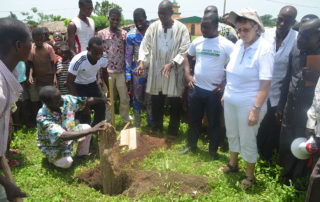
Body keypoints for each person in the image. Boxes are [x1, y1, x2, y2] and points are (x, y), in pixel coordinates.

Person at [219, 8, 274, 188]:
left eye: (246, 29)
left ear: (257, 27)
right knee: (232, 133)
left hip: (250, 102)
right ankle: (233, 164)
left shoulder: (264, 49)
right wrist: (226, 93)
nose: (242, 33)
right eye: (239, 29)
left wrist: (256, 109)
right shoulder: (238, 45)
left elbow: (265, 83)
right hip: (231, 98)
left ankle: (249, 176)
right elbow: (232, 72)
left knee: (248, 138)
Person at [180, 12, 234, 159]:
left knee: (214, 123)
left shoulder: (226, 45)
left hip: (214, 93)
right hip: (197, 89)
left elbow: (236, 66)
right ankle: (191, 146)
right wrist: (188, 75)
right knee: (194, 120)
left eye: (206, 27)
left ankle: (212, 151)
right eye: (202, 27)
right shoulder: (198, 41)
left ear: (216, 26)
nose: (203, 30)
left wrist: (225, 83)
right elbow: (187, 57)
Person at [137, 0, 190, 135]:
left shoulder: (181, 28)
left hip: (174, 71)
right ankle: (157, 127)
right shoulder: (154, 27)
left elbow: (185, 49)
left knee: (175, 102)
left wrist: (172, 63)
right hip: (157, 71)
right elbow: (145, 45)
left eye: (164, 14)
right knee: (157, 101)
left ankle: (173, 131)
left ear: (172, 13)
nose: (161, 17)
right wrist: (142, 62)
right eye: (159, 14)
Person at [277, 18, 320, 185]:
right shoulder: (296, 48)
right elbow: (287, 78)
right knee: (286, 143)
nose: (299, 39)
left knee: (304, 148)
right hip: (290, 107)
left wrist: (316, 78)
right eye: (299, 34)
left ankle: (298, 181)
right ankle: (283, 176)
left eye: (304, 36)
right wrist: (281, 106)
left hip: (310, 115)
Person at [257, 6, 298, 161]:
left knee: (272, 128)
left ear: (293, 22)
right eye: (280, 19)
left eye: (286, 21)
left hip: (279, 93)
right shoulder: (265, 34)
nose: (281, 23)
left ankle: (265, 160)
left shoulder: (297, 38)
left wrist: (282, 104)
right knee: (257, 126)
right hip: (259, 89)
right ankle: (252, 156)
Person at [36, 86, 107, 168]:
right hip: (53, 144)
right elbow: (63, 135)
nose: (62, 100)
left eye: (60, 96)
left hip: (69, 132)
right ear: (48, 104)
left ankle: (82, 154)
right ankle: (51, 159)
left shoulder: (65, 99)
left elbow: (84, 101)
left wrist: (102, 99)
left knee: (86, 127)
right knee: (67, 163)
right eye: (58, 101)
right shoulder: (43, 117)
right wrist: (92, 130)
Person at [0, 17, 31, 201]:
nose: (32, 47)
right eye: (31, 42)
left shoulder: (8, 75)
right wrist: (5, 183)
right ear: (19, 45)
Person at [97, 8, 130, 124]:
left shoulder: (124, 34)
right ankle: (109, 122)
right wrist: (99, 76)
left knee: (124, 98)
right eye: (113, 19)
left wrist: (128, 72)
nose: (115, 21)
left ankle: (126, 120)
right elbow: (98, 55)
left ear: (120, 20)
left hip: (121, 71)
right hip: (107, 72)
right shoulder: (101, 34)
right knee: (109, 99)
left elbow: (128, 53)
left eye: (117, 19)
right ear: (108, 19)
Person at [67, 37, 108, 127]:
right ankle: (85, 136)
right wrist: (80, 102)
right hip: (79, 86)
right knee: (84, 112)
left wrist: (109, 90)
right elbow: (69, 83)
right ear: (88, 49)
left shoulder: (104, 57)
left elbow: (105, 73)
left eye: (100, 53)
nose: (98, 56)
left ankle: (97, 129)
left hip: (93, 84)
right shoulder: (78, 60)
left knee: (101, 106)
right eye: (96, 53)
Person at [125, 8, 152, 127]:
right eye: (136, 21)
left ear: (146, 18)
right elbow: (128, 55)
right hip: (137, 72)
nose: (138, 23)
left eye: (140, 20)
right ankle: (137, 123)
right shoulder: (131, 35)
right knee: (137, 97)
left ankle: (151, 122)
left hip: (152, 69)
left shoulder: (154, 31)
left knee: (151, 96)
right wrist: (127, 73)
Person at [28, 27, 57, 124]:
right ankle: (41, 120)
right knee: (40, 100)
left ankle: (51, 119)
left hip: (49, 78)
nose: (39, 41)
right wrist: (30, 75)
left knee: (49, 99)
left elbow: (54, 63)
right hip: (39, 79)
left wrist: (54, 77)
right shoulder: (31, 49)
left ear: (44, 38)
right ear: (33, 39)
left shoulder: (48, 48)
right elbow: (31, 63)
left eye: (41, 39)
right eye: (37, 40)